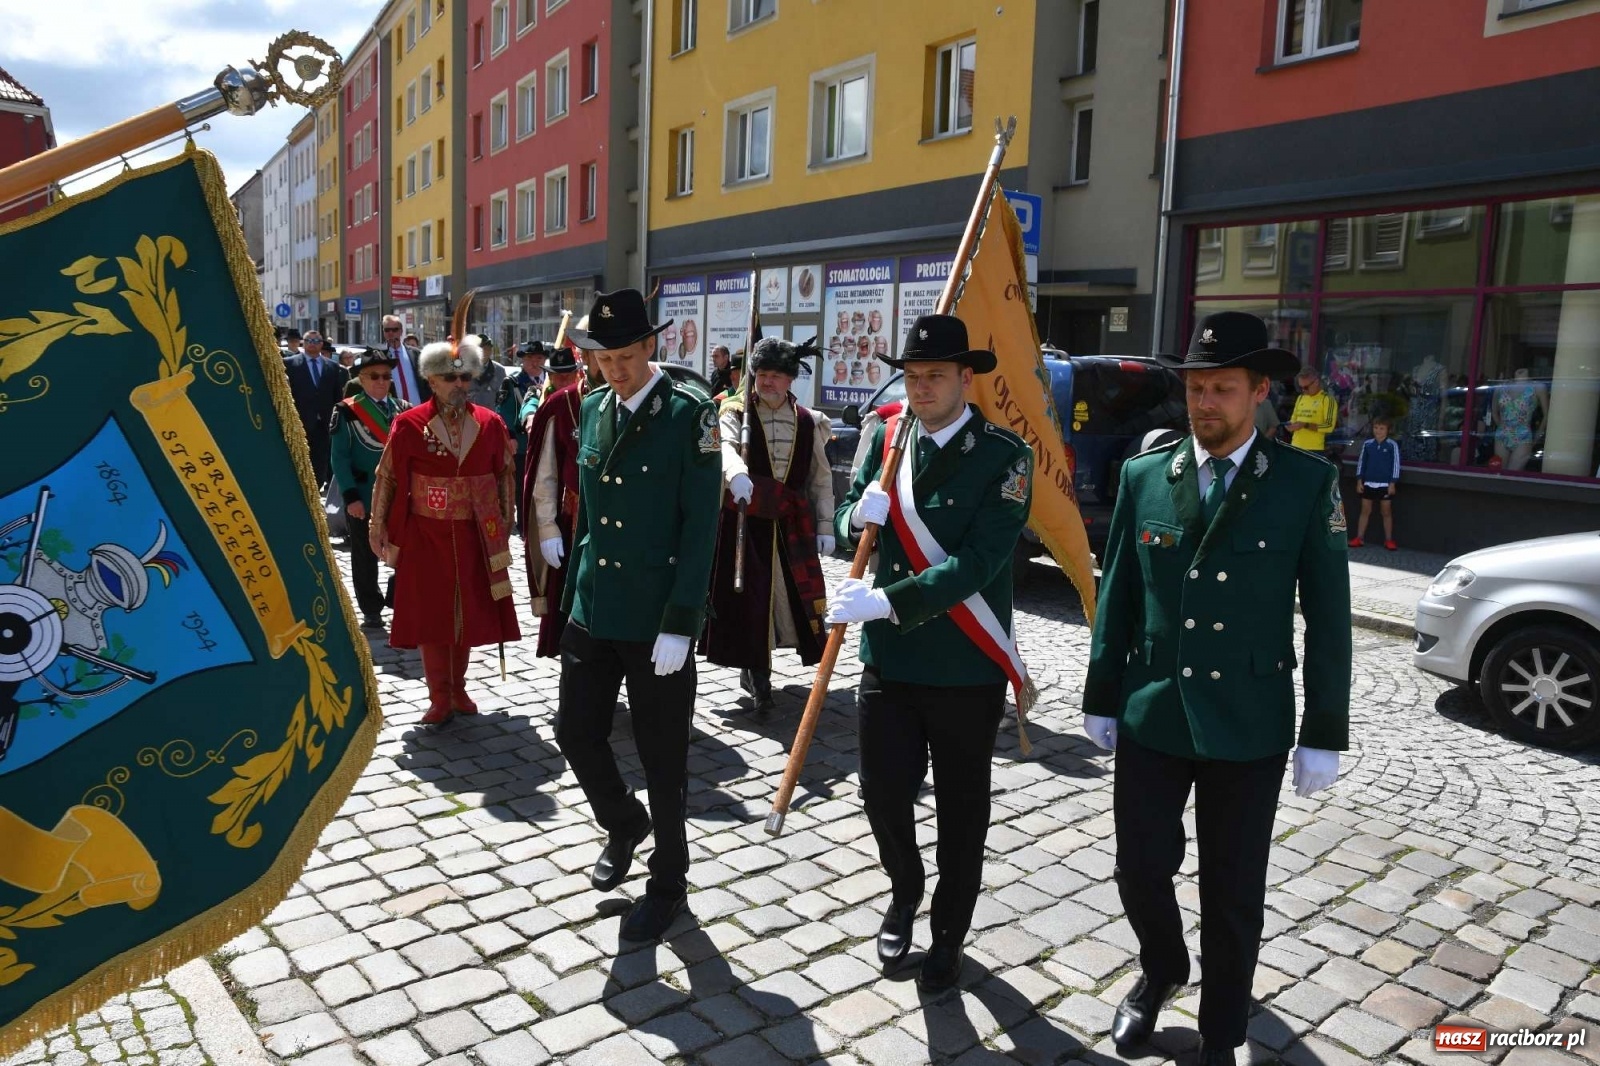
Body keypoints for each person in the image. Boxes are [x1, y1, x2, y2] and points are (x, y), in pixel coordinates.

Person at [1082, 310, 1351, 1065]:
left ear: (1258, 391)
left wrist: (1325, 731)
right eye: (1196, 388)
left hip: (1249, 719)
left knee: (1233, 895)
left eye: (1222, 389)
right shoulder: (1146, 474)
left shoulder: (1305, 484)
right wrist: (1103, 694)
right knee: (1139, 867)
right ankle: (1162, 968)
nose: (1204, 403)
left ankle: (1222, 1029)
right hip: (1155, 711)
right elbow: (1121, 596)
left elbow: (1330, 620)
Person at [828, 314, 1034, 993]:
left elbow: (980, 561)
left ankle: (949, 931)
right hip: (889, 661)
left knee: (961, 812)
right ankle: (904, 888)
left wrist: (888, 602)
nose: (920, 389)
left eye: (935, 377)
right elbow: (847, 514)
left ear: (965, 379)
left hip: (961, 664)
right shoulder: (889, 437)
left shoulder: (1005, 455)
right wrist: (855, 517)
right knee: (882, 797)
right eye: (912, 376)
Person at [555, 289, 722, 943]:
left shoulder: (689, 414)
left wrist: (683, 618)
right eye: (604, 358)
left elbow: (700, 524)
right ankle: (623, 821)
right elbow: (592, 520)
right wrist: (571, 597)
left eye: (626, 356)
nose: (614, 370)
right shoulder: (592, 407)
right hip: (595, 607)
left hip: (657, 618)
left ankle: (668, 883)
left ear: (650, 346)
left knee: (664, 760)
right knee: (575, 732)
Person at [369, 332, 521, 728]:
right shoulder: (408, 424)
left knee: (466, 617)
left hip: (473, 535)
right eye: (450, 378)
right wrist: (377, 525)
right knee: (432, 618)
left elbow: (505, 475)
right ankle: (439, 695)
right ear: (431, 381)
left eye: (465, 379)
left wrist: (504, 524)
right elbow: (387, 477)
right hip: (426, 536)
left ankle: (459, 688)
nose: (459, 386)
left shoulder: (490, 423)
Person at [701, 338, 834, 712]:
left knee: (788, 604)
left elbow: (820, 479)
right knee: (750, 603)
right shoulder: (735, 412)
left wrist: (825, 526)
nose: (767, 382)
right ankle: (759, 677)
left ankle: (758, 667)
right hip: (747, 521)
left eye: (776, 376)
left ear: (791, 379)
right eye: (761, 375)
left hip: (790, 527)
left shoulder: (809, 421)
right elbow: (724, 445)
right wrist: (735, 473)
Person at [331, 351, 411, 628]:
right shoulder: (346, 410)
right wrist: (350, 496)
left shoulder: (403, 409)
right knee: (365, 554)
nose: (381, 381)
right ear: (361, 379)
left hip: (401, 495)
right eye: (374, 376)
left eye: (386, 376)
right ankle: (371, 607)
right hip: (364, 494)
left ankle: (401, 599)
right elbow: (339, 458)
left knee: (405, 548)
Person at [521, 344, 587, 656]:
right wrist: (546, 527)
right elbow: (544, 472)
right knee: (571, 609)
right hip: (574, 519)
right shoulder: (558, 403)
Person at [283, 329, 348, 488]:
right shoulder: (290, 364)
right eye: (308, 341)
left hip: (324, 422)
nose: (312, 344)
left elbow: (337, 396)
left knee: (321, 458)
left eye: (316, 341)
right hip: (300, 421)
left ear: (321, 344)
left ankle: (316, 489)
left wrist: (338, 419)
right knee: (301, 458)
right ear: (302, 343)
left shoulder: (332, 367)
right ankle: (302, 488)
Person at [500, 342, 549, 532]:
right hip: (522, 443)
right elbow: (504, 412)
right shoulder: (512, 382)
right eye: (530, 358)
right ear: (523, 360)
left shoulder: (550, 380)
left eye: (539, 358)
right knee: (522, 485)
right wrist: (510, 436)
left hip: (546, 442)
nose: (535, 363)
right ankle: (523, 524)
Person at [1350, 416, 1400, 550]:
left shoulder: (1391, 445)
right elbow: (1362, 462)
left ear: (1387, 430)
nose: (1378, 431)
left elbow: (1396, 464)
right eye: (1376, 428)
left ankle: (1389, 540)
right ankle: (1359, 538)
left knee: (1386, 512)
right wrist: (1359, 480)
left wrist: (1392, 483)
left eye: (1382, 428)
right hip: (1368, 483)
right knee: (1365, 510)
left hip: (1385, 484)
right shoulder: (1368, 444)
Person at [1286, 367, 1337, 452]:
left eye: (1306, 387)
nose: (1303, 390)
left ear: (1316, 382)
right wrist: (1291, 426)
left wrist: (1305, 425)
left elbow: (1329, 426)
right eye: (1300, 387)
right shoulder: (1300, 398)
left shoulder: (1327, 399)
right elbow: (1293, 420)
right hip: (1295, 446)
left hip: (1314, 449)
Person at [379, 315, 426, 407]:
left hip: (417, 409)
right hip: (394, 411)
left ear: (401, 331)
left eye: (394, 330)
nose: (391, 333)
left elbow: (425, 382)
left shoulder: (415, 353)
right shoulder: (380, 355)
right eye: (387, 330)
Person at [468, 335, 508, 410]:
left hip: (491, 417)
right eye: (479, 349)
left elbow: (504, 399)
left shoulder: (499, 371)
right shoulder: (464, 370)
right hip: (469, 416)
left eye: (486, 348)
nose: (483, 351)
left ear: (490, 351)